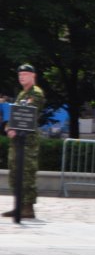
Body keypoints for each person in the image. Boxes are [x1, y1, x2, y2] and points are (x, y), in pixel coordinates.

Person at [3, 64, 46, 219]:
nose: (21, 77)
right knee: (15, 173)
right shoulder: (22, 93)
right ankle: (19, 206)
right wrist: (9, 127)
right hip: (17, 140)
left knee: (27, 173)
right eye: (20, 75)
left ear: (33, 76)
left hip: (28, 141)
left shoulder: (36, 93)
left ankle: (28, 208)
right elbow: (15, 113)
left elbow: (28, 113)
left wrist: (14, 127)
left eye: (25, 74)